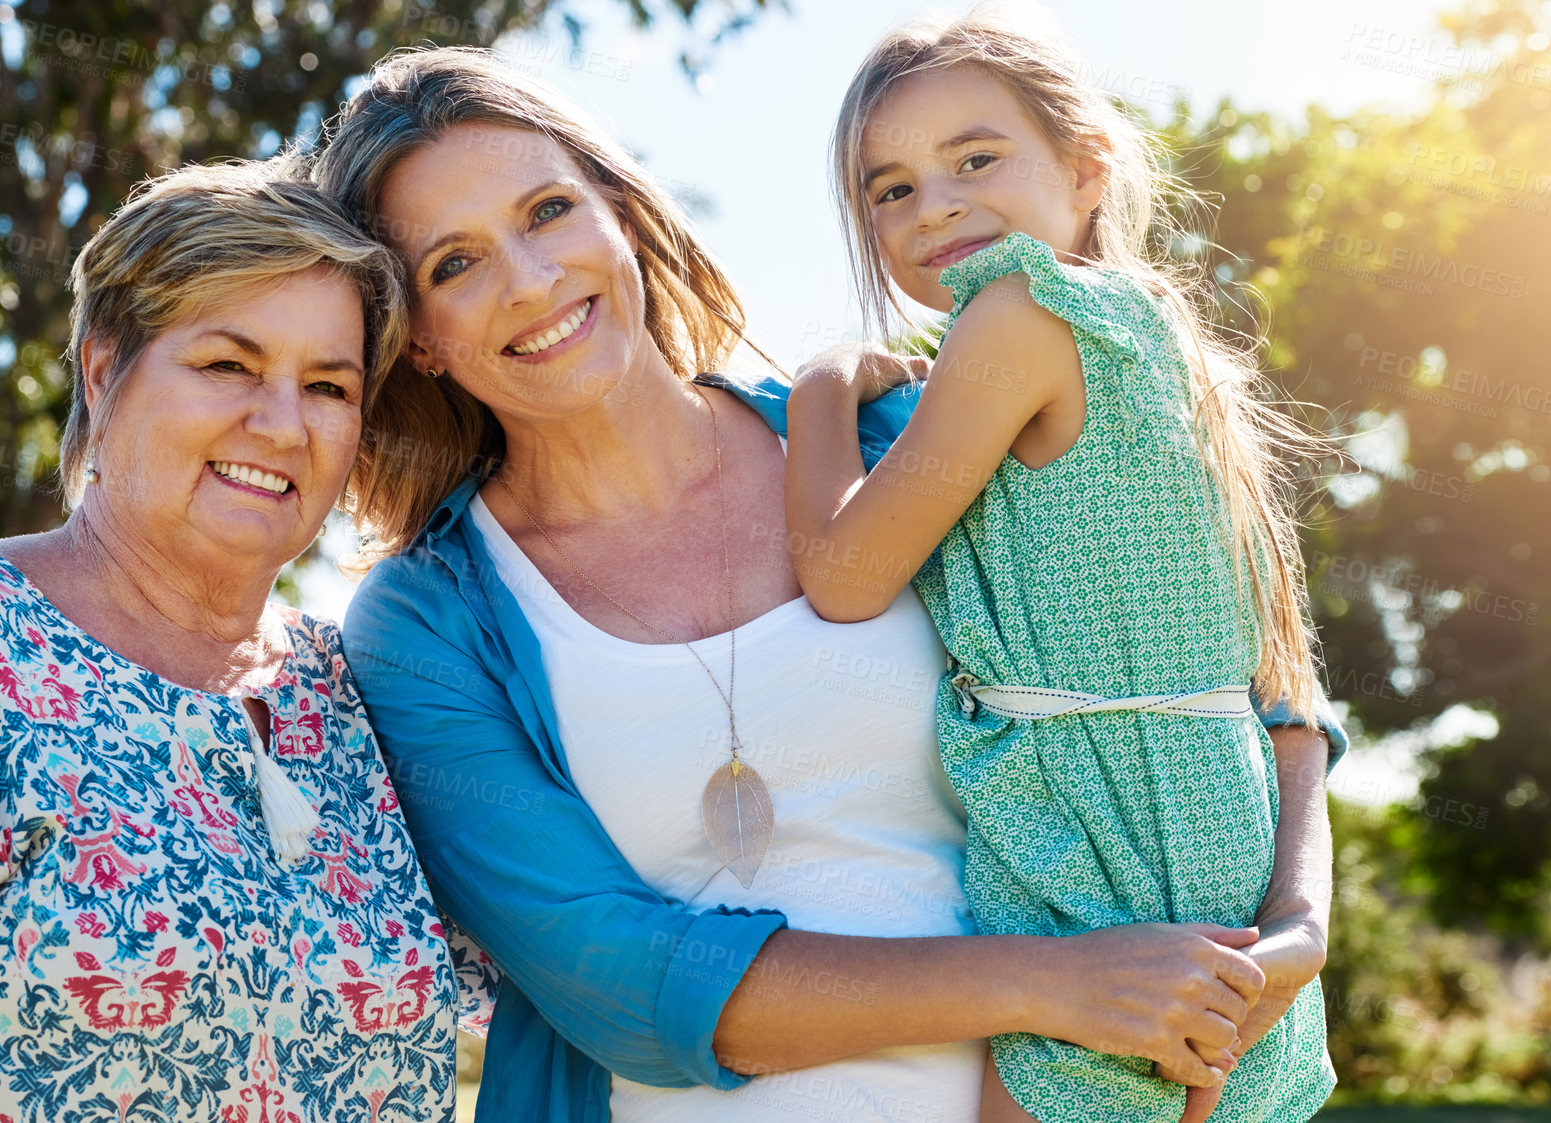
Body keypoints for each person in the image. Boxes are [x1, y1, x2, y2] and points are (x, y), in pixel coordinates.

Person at [316, 45, 1341, 1123]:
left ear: (620, 213)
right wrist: (1057, 982)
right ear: (417, 338)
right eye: (454, 264)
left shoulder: (909, 445)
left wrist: (1297, 926)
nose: (530, 280)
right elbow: (611, 975)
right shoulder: (426, 620)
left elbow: (1258, 678)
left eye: (549, 211)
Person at [781, 11, 1338, 1122]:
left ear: (1089, 169)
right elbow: (1292, 704)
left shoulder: (1021, 312)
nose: (931, 204)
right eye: (888, 189)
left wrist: (823, 388)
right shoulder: (1170, 349)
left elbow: (842, 576)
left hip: (1109, 881)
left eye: (974, 159)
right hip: (1232, 880)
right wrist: (1303, 926)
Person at [0, 160, 485, 1120]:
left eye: (328, 386)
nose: (280, 424)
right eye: (228, 364)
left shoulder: (368, 690)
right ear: (103, 372)